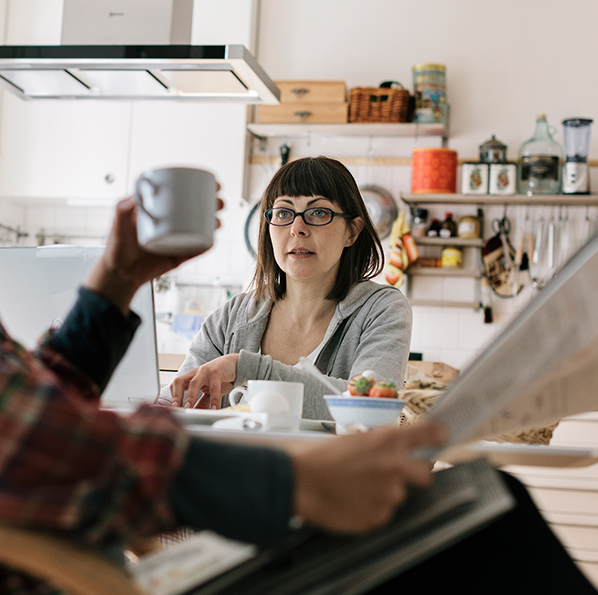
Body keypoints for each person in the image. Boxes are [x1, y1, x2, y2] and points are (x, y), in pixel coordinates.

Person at [0, 0, 597, 593]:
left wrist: (112, 286)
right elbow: (1, 448)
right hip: (40, 577)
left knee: (468, 511)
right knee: (480, 511)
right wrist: (291, 488)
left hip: (43, 558)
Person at [160, 157, 411, 419]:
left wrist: (248, 368)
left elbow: (369, 412)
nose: (297, 229)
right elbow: (177, 399)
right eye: (283, 212)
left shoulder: (382, 309)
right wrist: (162, 407)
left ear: (352, 231)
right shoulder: (232, 316)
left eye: (318, 212)